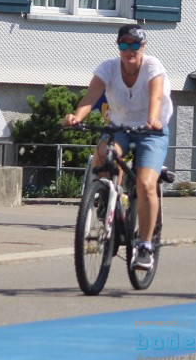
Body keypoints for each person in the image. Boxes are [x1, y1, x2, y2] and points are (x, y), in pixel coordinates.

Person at [63, 24, 173, 272]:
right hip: (120, 127)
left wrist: (153, 119)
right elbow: (90, 98)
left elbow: (155, 97)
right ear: (118, 47)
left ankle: (145, 246)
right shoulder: (108, 68)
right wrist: (77, 116)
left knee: (145, 184)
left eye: (135, 45)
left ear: (143, 47)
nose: (129, 50)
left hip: (151, 130)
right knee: (103, 153)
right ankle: (109, 199)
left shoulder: (153, 67)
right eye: (124, 45)